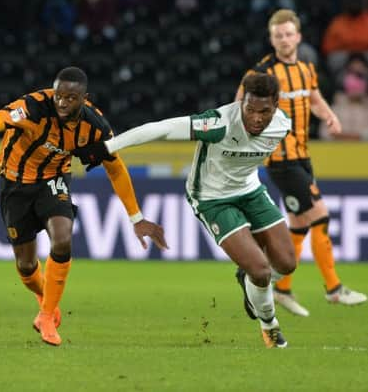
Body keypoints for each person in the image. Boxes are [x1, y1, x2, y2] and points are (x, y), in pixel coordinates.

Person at [0, 66, 167, 346]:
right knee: (25, 265)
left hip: (53, 180)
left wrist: (136, 217)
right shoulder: (32, 107)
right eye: (59, 95)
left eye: (71, 98)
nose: (62, 102)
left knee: (62, 238)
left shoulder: (94, 127)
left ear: (84, 98)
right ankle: (46, 299)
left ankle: (45, 316)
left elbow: (115, 169)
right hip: (14, 184)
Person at [73, 73, 295, 348]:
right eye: (250, 110)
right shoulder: (220, 123)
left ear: (276, 106)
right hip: (211, 198)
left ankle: (247, 279)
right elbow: (163, 128)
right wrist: (108, 146)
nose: (257, 118)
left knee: (286, 264)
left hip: (251, 190)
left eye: (265, 112)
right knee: (260, 271)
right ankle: (269, 324)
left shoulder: (283, 125)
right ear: (242, 104)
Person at [236, 9, 366, 317]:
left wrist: (329, 115)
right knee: (319, 216)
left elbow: (315, 98)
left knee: (298, 226)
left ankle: (279, 288)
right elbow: (238, 103)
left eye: (288, 34)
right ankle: (334, 289)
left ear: (298, 37)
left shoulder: (306, 68)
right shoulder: (262, 73)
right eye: (277, 35)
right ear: (271, 39)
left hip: (303, 157)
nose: (283, 39)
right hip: (280, 161)